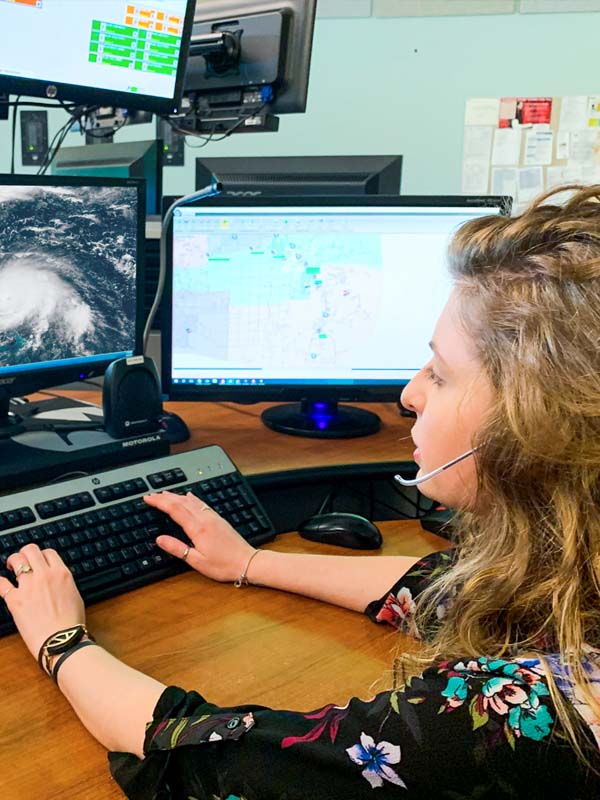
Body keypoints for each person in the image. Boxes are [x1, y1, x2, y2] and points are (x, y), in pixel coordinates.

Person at [1, 184, 600, 799]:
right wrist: (251, 562)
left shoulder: (519, 719)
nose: (409, 395)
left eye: (440, 374)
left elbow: (208, 752)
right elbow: (448, 587)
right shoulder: (577, 582)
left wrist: (61, 640)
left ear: (535, 426)